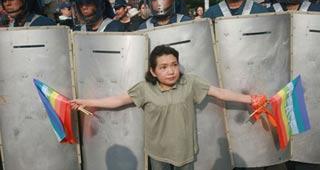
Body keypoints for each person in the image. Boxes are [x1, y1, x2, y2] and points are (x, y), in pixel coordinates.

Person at [71, 45, 266, 170]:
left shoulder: (190, 82)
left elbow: (221, 93)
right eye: (163, 67)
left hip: (184, 150)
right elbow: (117, 100)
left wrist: (251, 99)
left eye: (174, 64)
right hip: (158, 152)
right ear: (153, 72)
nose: (171, 71)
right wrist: (87, 102)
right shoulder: (144, 88)